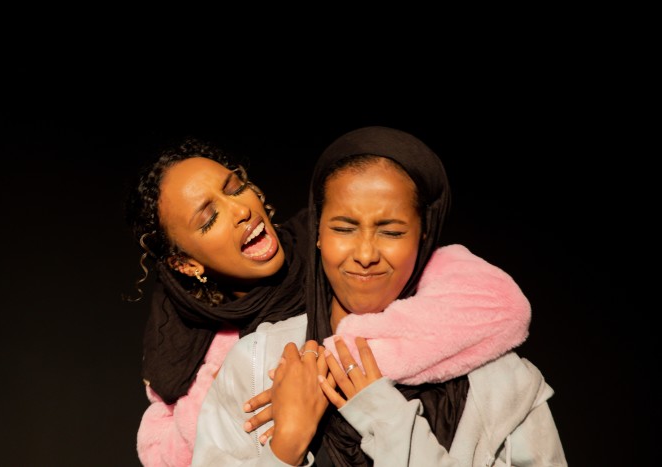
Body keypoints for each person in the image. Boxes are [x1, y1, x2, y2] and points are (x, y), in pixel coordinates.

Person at [191, 126, 560, 466]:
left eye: (392, 232)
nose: (365, 254)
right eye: (344, 228)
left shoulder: (498, 380)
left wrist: (387, 419)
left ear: (423, 237)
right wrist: (285, 446)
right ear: (318, 231)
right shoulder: (257, 363)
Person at [124, 137, 313, 466]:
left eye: (236, 188)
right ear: (186, 264)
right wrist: (286, 444)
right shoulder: (189, 362)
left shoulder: (340, 250)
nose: (242, 210)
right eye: (209, 218)